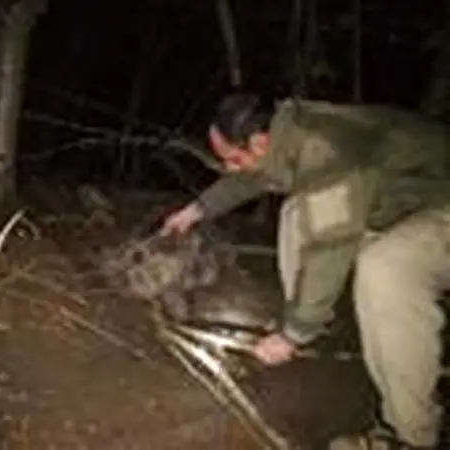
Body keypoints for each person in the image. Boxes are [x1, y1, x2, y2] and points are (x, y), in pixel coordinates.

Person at [161, 92, 450, 449]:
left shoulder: (324, 152)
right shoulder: (287, 134)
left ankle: (410, 436)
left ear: (258, 142)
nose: (230, 168)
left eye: (233, 159)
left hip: (441, 203)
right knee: (298, 212)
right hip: (407, 201)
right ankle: (312, 319)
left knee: (386, 268)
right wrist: (196, 211)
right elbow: (251, 177)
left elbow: (329, 246)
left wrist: (294, 334)